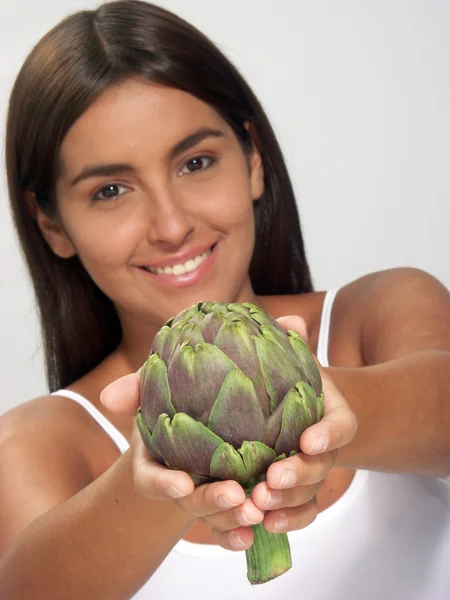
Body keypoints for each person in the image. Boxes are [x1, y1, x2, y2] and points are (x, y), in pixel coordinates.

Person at [0, 1, 449, 598]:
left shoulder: (378, 313)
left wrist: (313, 406)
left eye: (196, 162)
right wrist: (162, 471)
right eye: (110, 190)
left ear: (254, 160)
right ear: (51, 224)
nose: (170, 225)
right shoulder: (40, 442)